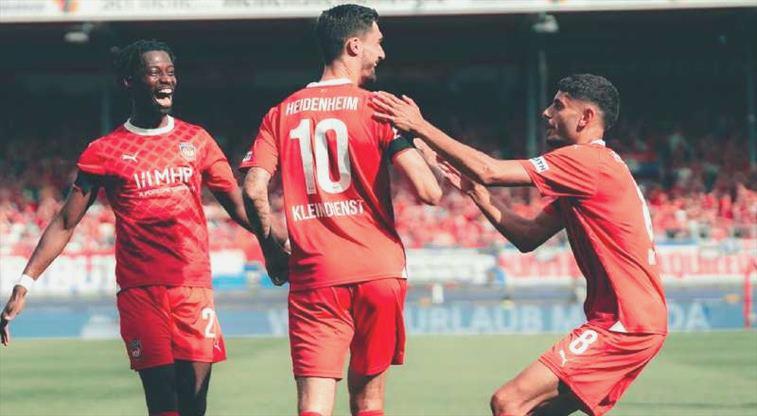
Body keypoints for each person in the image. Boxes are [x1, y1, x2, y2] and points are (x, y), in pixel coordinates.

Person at [372, 73, 668, 416]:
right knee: (526, 411)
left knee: (509, 402)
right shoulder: (592, 170)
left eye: (558, 106)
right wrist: (476, 194)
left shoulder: (586, 160)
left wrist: (420, 126)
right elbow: (528, 236)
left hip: (625, 323)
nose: (547, 113)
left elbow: (490, 170)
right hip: (631, 320)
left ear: (586, 117)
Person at [0, 39, 253, 416]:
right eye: (154, 72)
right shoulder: (105, 150)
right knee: (162, 400)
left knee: (194, 401)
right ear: (129, 82)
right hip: (140, 291)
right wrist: (25, 283)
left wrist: (281, 242)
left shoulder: (196, 140)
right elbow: (66, 221)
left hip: (192, 286)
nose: (166, 79)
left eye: (170, 72)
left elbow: (239, 206)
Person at [240, 4, 442, 416]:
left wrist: (272, 250)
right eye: (377, 43)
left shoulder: (280, 113)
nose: (382, 53)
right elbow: (429, 191)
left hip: (316, 275)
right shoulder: (380, 109)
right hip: (378, 271)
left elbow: (254, 188)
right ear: (354, 45)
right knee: (369, 401)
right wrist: (426, 153)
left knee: (314, 405)